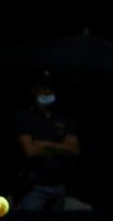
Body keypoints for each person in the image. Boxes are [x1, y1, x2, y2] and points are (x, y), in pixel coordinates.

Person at [14, 71, 91, 211]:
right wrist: (60, 149)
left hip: (60, 188)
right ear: (34, 90)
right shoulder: (24, 117)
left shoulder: (64, 120)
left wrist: (45, 145)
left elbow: (74, 150)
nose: (46, 92)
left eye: (49, 88)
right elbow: (30, 151)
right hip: (35, 188)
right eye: (41, 87)